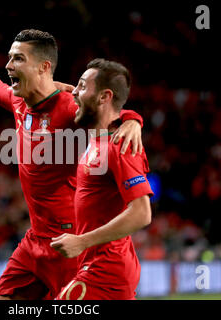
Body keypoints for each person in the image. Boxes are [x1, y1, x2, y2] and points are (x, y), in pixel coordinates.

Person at [0, 29, 144, 300]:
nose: (8, 65)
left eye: (18, 59)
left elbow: (107, 111)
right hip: (35, 240)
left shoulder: (72, 109)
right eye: (10, 58)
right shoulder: (18, 100)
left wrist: (132, 120)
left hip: (68, 244)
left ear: (44, 67)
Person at [50, 58, 153, 300]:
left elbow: (142, 213)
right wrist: (133, 117)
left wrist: (82, 241)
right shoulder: (98, 140)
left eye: (83, 86)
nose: (74, 91)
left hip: (106, 272)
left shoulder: (121, 145)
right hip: (98, 268)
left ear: (104, 96)